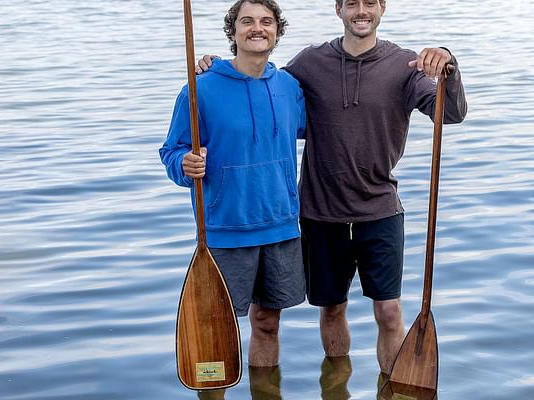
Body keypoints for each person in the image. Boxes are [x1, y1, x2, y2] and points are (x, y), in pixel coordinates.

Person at [198, 0, 467, 376]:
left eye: (369, 2)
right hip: (320, 212)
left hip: (381, 210)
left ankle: (389, 386)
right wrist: (219, 70)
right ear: (338, 9)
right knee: (332, 308)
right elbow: (260, 82)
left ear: (382, 8)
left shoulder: (404, 65)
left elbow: (449, 114)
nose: (361, 10)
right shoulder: (310, 62)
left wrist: (449, 65)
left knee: (389, 311)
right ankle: (336, 386)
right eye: (351, 2)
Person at [160, 0, 305, 398]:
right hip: (224, 231)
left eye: (266, 21)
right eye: (247, 22)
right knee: (213, 336)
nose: (257, 28)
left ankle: (266, 393)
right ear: (233, 31)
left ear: (277, 31)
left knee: (269, 324)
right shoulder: (200, 89)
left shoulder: (290, 88)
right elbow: (172, 151)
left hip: (280, 225)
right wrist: (184, 165)